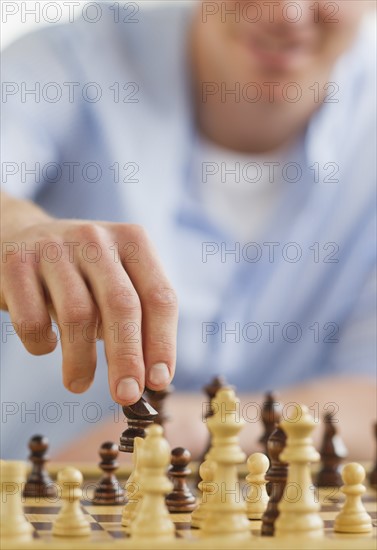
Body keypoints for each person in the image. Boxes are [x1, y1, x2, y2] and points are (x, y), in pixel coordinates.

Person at [1, 1, 376, 460]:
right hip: (30, 515)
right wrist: (17, 227)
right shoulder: (67, 59)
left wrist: (204, 427)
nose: (287, 14)